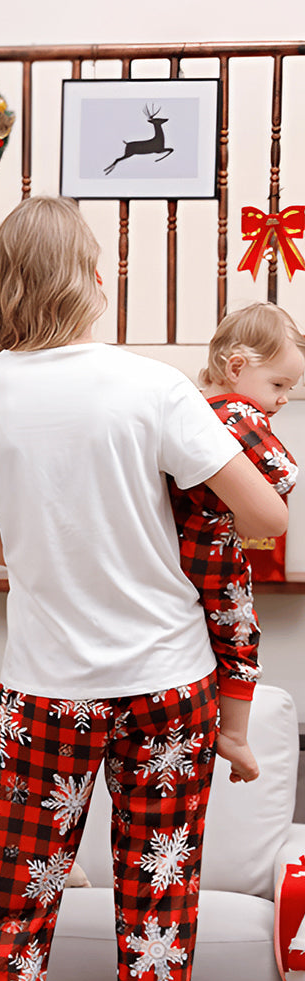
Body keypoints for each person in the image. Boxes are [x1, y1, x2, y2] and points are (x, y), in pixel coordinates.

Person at [0, 196, 288, 981]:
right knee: (156, 908)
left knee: (12, 912)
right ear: (90, 277)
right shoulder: (152, 386)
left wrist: (60, 543)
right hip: (169, 686)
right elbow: (262, 517)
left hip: (44, 692)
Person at [169, 302, 302, 784]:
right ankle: (234, 735)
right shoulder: (238, 412)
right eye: (279, 385)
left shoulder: (190, 407)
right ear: (237, 367)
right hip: (215, 551)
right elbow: (282, 474)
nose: (283, 399)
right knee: (239, 636)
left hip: (175, 549)